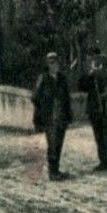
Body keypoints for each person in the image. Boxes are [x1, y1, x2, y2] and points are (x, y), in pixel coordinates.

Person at [31, 51, 73, 181]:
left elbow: (67, 98)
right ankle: (52, 172)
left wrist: (68, 113)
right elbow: (35, 97)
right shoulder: (43, 78)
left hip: (61, 116)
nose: (55, 66)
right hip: (49, 118)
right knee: (52, 144)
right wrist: (43, 109)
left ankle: (56, 170)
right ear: (48, 65)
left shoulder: (61, 78)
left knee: (59, 143)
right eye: (52, 63)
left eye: (56, 63)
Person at [80, 49, 107, 171]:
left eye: (96, 57)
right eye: (92, 57)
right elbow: (82, 87)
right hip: (95, 109)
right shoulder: (90, 72)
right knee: (99, 137)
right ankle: (103, 162)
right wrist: (90, 76)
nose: (95, 60)